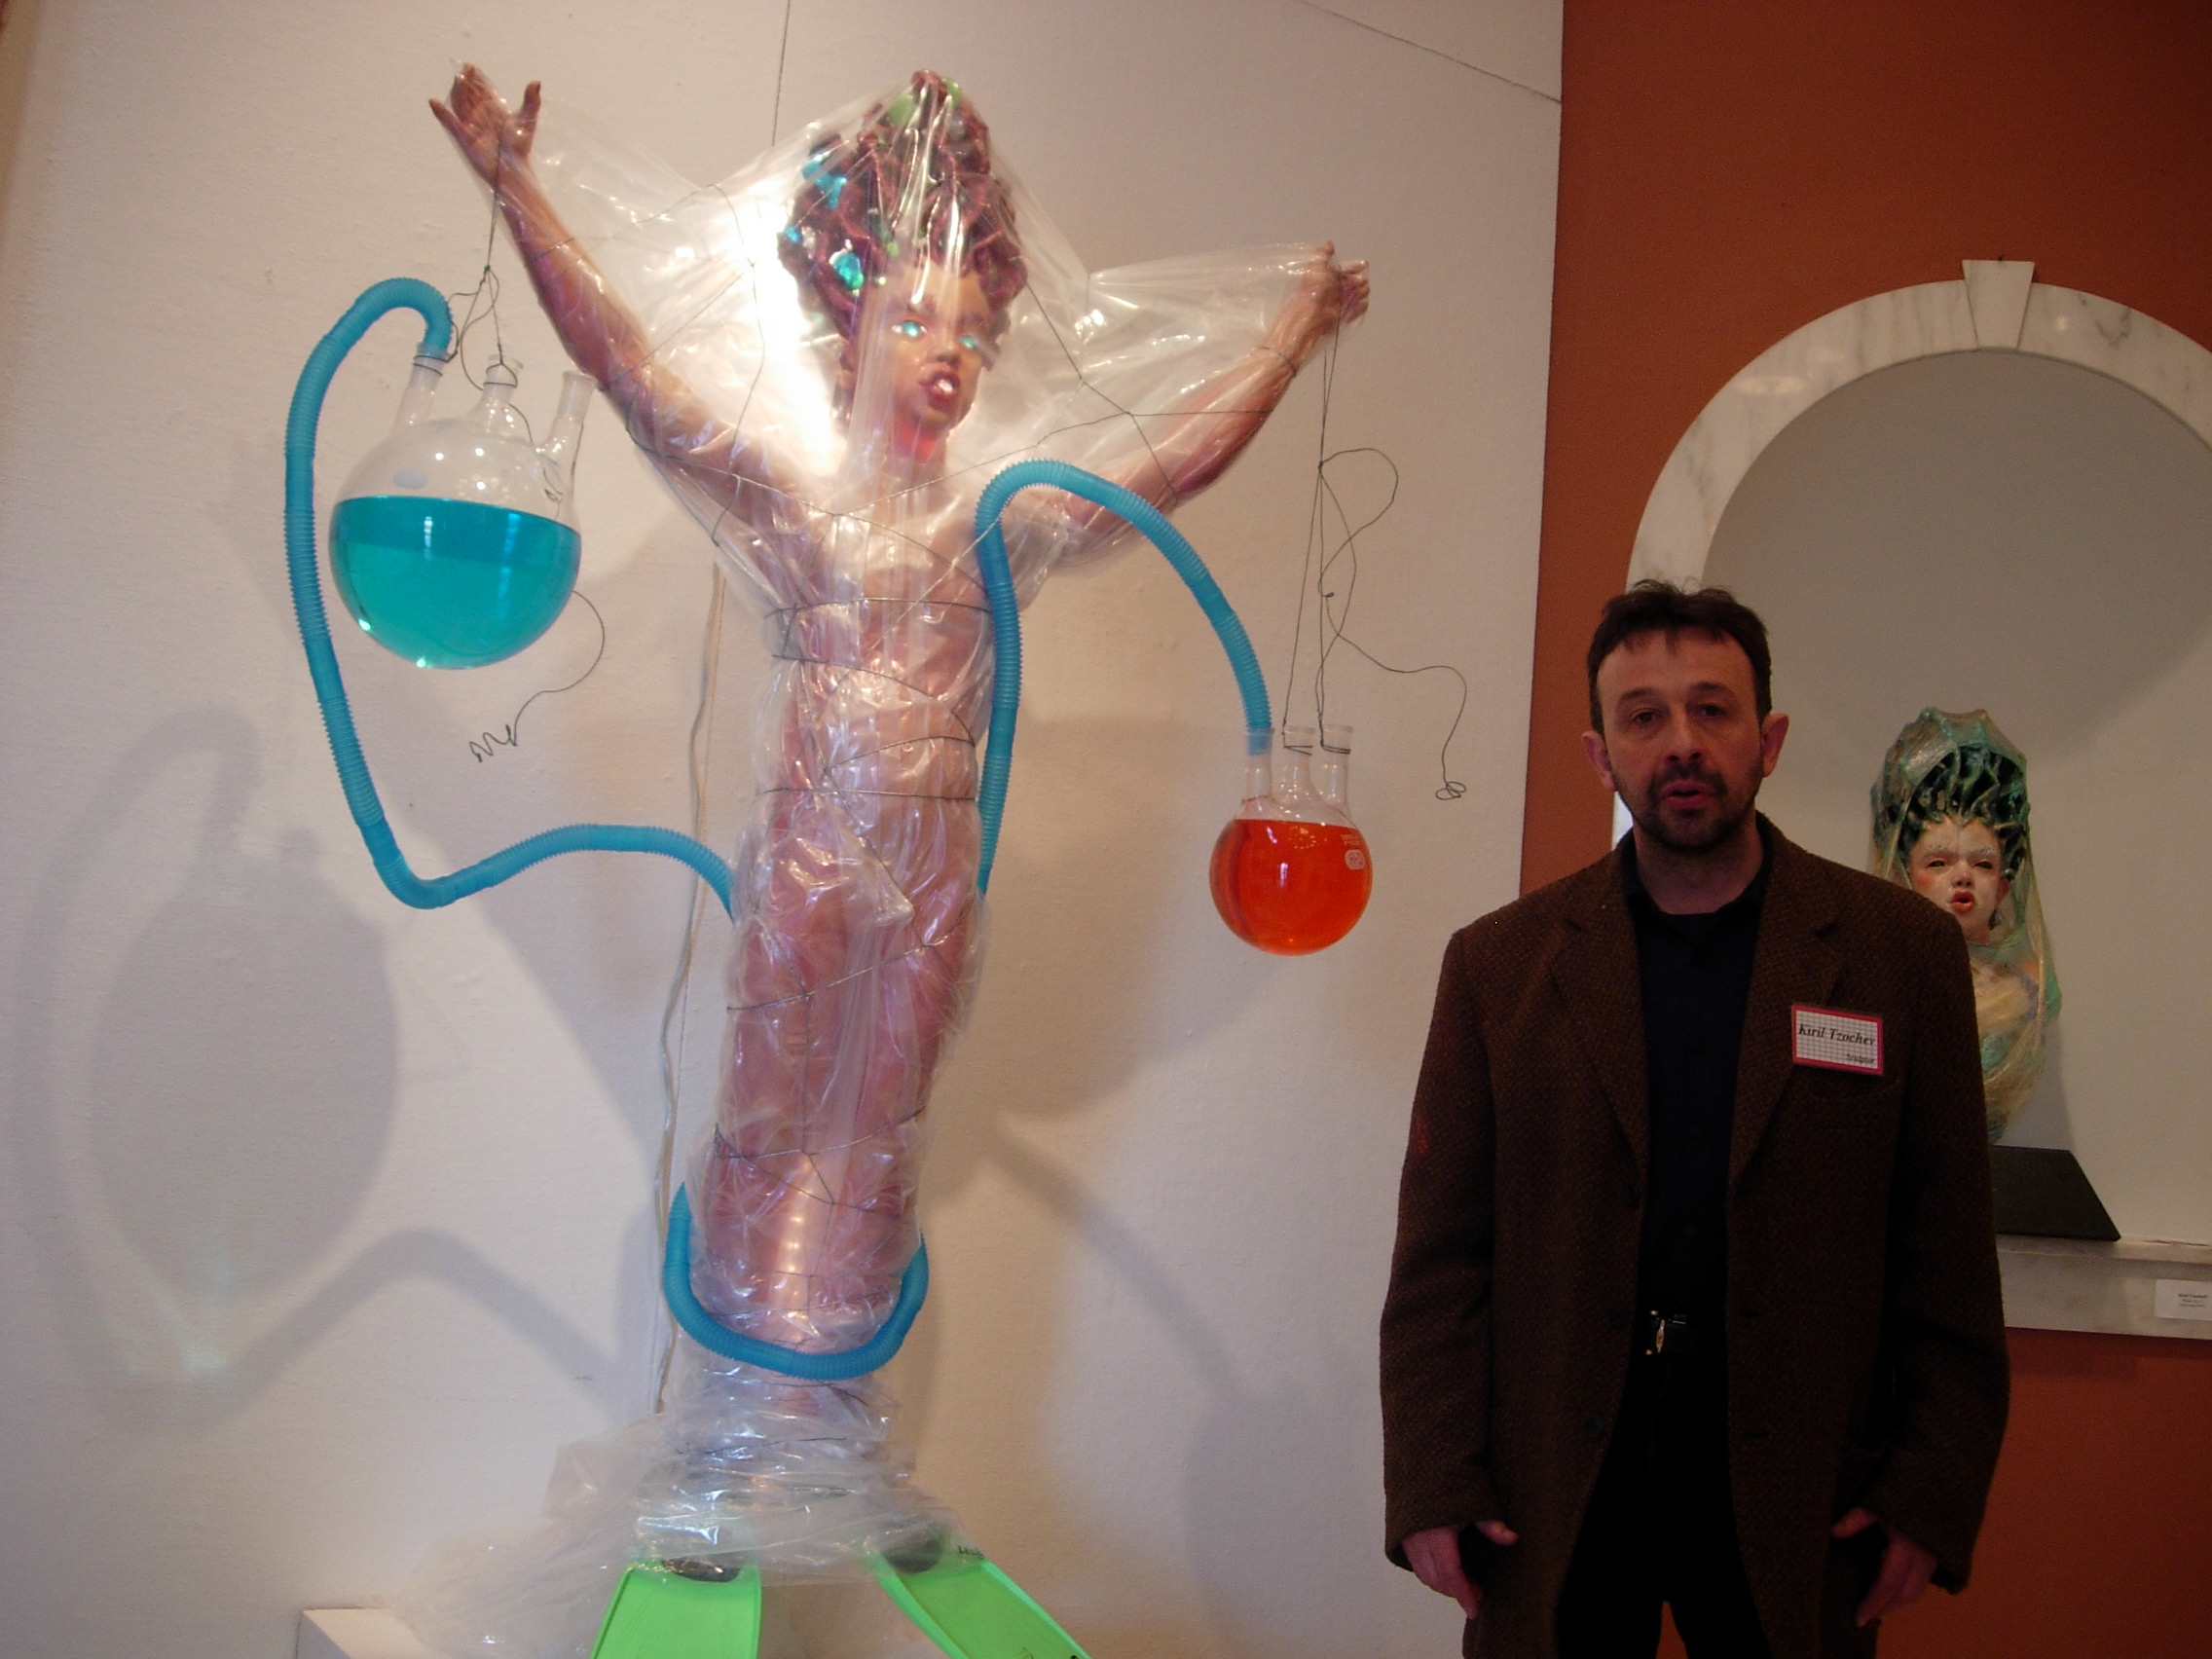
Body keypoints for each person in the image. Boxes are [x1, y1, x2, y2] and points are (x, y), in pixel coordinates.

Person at [422, 64, 1366, 1583]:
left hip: (931, 879)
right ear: (848, 318)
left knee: (880, 1130)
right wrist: (517, 190)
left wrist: (1288, 338)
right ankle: (726, 1444)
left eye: (974, 333)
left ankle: (831, 1444)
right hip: (810, 853)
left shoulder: (1005, 521)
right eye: (920, 320)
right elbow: (630, 368)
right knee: (772, 1116)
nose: (950, 356)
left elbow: (1167, 468)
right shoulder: (795, 496)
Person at [1379, 581, 2008, 1659]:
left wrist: (1928, 1491)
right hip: (1559, 1479)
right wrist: (1433, 1479)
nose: (1680, 742)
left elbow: (1944, 1256)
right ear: (1601, 756)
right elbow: (1441, 1260)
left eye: (1712, 709)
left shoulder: (1899, 958)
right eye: (1644, 716)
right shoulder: (1499, 966)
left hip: (1801, 1480)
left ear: (1768, 740)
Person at [1870, 709, 2058, 1142]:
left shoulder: (2028, 988)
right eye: (1938, 863)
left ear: (2004, 888)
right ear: (1902, 877)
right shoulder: (1883, 984)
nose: (1962, 877)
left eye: (1983, 864)